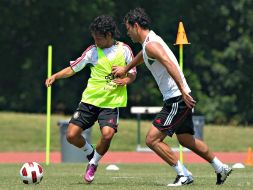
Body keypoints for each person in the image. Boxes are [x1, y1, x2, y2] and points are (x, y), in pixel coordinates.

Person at [112, 8, 232, 186]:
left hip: (176, 98)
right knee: (185, 140)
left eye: (128, 28)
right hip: (178, 96)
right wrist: (125, 69)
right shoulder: (149, 44)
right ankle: (221, 167)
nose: (127, 33)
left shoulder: (151, 44)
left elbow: (169, 64)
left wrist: (183, 90)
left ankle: (183, 175)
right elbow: (142, 56)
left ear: (135, 26)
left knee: (151, 140)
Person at [45, 15, 136, 183]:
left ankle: (93, 164)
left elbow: (133, 73)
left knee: (107, 135)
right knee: (71, 136)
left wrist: (126, 79)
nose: (96, 41)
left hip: (110, 103)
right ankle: (90, 153)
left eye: (99, 38)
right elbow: (74, 68)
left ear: (109, 35)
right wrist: (55, 76)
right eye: (94, 38)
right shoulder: (92, 51)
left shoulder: (124, 50)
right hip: (89, 101)